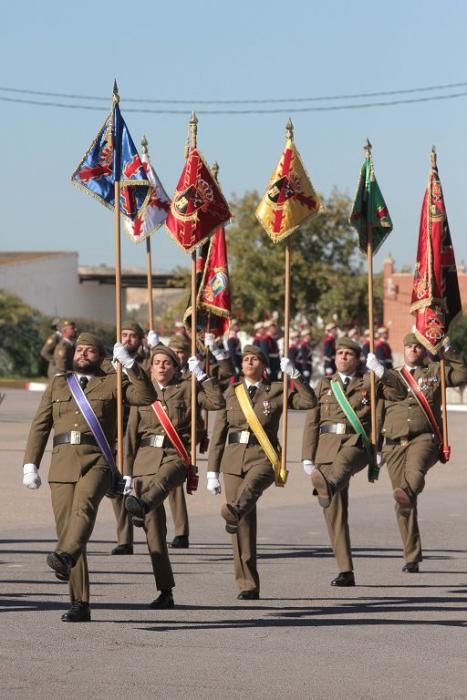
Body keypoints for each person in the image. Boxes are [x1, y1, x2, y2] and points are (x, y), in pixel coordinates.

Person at [22, 333, 157, 622]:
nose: (83, 354)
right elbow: (40, 427)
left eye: (90, 351)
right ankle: (79, 602)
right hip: (61, 464)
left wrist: (131, 365)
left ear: (100, 355)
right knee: (69, 530)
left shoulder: (114, 381)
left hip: (98, 460)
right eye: (80, 350)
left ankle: (65, 557)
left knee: (83, 509)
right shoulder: (59, 383)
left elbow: (147, 397)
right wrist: (29, 464)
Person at [206, 345, 316, 599]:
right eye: (245, 358)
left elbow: (309, 402)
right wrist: (212, 471)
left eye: (254, 359)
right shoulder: (231, 393)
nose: (248, 362)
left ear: (264, 365)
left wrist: (296, 376)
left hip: (263, 456)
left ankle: (234, 508)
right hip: (233, 460)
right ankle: (247, 584)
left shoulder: (276, 390)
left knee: (247, 494)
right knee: (241, 523)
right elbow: (219, 436)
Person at [124, 346, 224, 608]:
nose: (161, 367)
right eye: (156, 362)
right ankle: (165, 590)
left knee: (164, 482)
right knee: (154, 534)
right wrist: (125, 473)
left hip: (176, 455)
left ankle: (142, 505)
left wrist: (202, 377)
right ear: (151, 366)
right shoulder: (142, 393)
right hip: (146, 459)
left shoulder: (187, 388)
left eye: (166, 363)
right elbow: (130, 437)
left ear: (175, 366)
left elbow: (217, 403)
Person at [301, 337, 404, 587]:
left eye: (349, 354)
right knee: (333, 512)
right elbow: (312, 422)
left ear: (358, 359)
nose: (343, 357)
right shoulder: (325, 384)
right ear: (334, 358)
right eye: (340, 353)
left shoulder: (369, 381)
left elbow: (399, 394)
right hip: (326, 449)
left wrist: (382, 371)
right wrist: (307, 456)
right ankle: (345, 570)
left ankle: (330, 483)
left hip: (357, 444)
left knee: (342, 465)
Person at [382, 332, 467, 573]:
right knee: (403, 503)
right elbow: (377, 410)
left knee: (414, 475)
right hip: (393, 443)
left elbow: (462, 374)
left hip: (424, 438)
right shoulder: (391, 376)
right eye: (409, 346)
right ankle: (411, 556)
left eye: (418, 347)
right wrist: (375, 445)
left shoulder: (435, 372)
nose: (413, 351)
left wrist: (447, 348)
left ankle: (408, 491)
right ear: (404, 349)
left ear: (424, 350)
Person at [106, 320, 158, 556]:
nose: (127, 340)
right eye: (123, 335)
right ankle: (124, 539)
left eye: (132, 336)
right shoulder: (107, 366)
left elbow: (156, 380)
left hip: (141, 430)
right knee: (116, 486)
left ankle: (152, 529)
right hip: (112, 433)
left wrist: (157, 347)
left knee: (141, 484)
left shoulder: (147, 363)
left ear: (141, 340)